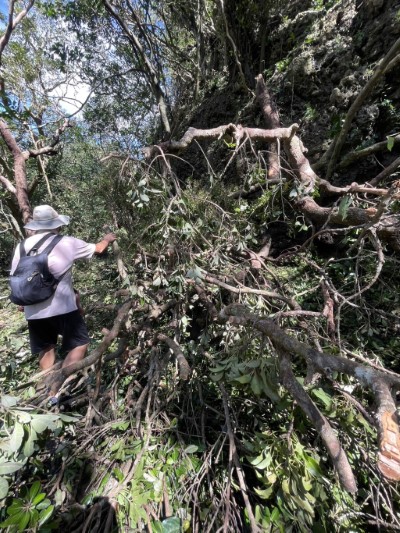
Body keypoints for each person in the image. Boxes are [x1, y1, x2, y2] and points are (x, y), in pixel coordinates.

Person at [10, 205, 116, 397]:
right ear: (56, 224)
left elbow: (16, 275)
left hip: (33, 309)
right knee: (80, 343)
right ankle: (58, 387)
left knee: (46, 347)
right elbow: (99, 249)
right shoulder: (67, 242)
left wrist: (23, 301)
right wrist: (107, 239)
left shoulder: (22, 246)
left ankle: (44, 389)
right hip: (62, 307)